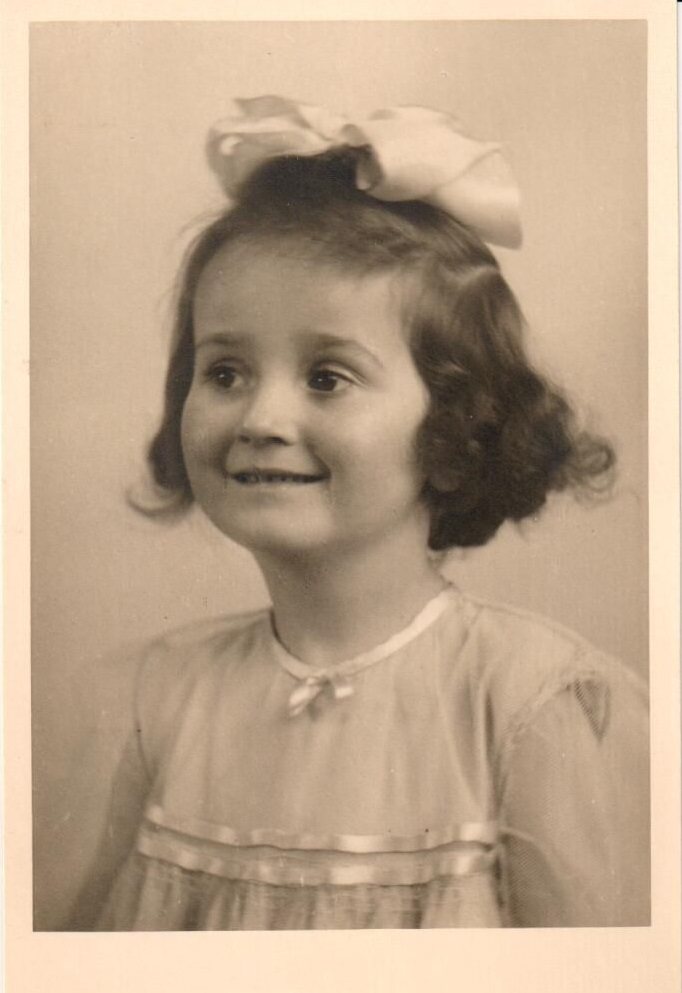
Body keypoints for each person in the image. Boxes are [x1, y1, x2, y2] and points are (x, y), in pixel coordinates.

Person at [67, 96, 649, 930]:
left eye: (327, 378)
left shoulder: (532, 705)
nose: (261, 418)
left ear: (456, 427)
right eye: (225, 372)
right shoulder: (151, 699)